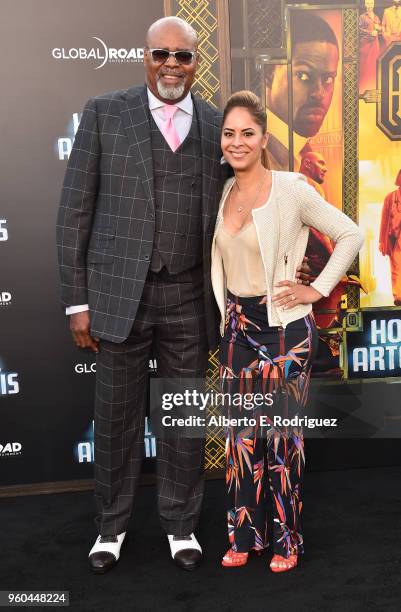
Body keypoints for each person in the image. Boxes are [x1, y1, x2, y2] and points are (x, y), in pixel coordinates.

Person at [56, 16, 227, 574]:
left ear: (196, 61)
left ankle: (181, 526)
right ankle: (111, 528)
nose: (172, 64)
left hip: (188, 296)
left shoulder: (214, 124)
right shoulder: (106, 113)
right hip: (118, 296)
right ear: (144, 57)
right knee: (116, 419)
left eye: (183, 55)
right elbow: (74, 212)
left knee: (181, 418)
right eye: (161, 55)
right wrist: (76, 301)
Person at [211, 91, 363, 572]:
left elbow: (351, 234)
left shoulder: (291, 188)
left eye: (247, 133)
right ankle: (245, 535)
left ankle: (286, 541)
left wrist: (315, 290)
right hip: (237, 329)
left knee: (280, 442)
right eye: (229, 133)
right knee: (241, 439)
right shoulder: (225, 192)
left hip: (283, 332)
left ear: (263, 139)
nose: (238, 142)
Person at [265, 11, 339, 171]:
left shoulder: (301, 151)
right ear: (269, 74)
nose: (319, 93)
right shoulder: (251, 151)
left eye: (328, 79)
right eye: (304, 76)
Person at [379, 169, 401, 305]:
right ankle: (399, 296)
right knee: (397, 267)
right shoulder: (390, 197)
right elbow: (384, 221)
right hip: (395, 238)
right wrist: (382, 241)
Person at [359, 0, 382, 92]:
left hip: (375, 44)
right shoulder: (362, 17)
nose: (370, 6)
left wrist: (379, 29)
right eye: (368, 4)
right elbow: (358, 29)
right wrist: (370, 32)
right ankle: (363, 86)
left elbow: (380, 29)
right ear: (365, 4)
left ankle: (373, 85)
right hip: (365, 44)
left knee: (374, 64)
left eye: (371, 4)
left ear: (373, 5)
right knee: (365, 65)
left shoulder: (376, 17)